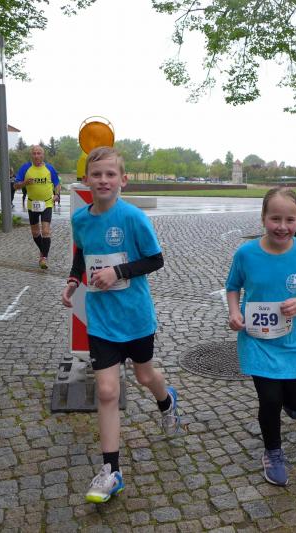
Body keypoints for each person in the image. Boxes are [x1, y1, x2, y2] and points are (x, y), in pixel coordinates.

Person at [61, 147, 181, 503]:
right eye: (96, 174)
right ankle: (111, 471)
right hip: (101, 321)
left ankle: (167, 401)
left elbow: (156, 259)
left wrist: (118, 272)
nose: (103, 180)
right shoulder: (80, 219)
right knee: (107, 391)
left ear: (122, 180)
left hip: (136, 318)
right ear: (86, 179)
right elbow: (81, 254)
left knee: (145, 376)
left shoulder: (133, 218)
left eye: (110, 174)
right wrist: (73, 280)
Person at [226, 187, 296, 486]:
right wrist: (234, 313)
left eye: (290, 220)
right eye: (275, 219)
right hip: (256, 340)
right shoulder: (246, 254)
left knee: (295, 402)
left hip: (290, 342)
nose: (282, 226)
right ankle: (273, 452)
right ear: (263, 218)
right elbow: (233, 287)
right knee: (269, 400)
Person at [15, 145, 60, 269]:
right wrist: (25, 183)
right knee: (35, 233)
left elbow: (57, 183)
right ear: (31, 155)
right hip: (32, 204)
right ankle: (43, 250)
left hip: (47, 203)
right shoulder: (25, 168)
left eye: (39, 153)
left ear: (43, 155)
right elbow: (15, 186)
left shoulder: (49, 168)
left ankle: (44, 258)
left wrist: (57, 194)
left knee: (45, 231)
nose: (36, 156)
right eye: (34, 153)